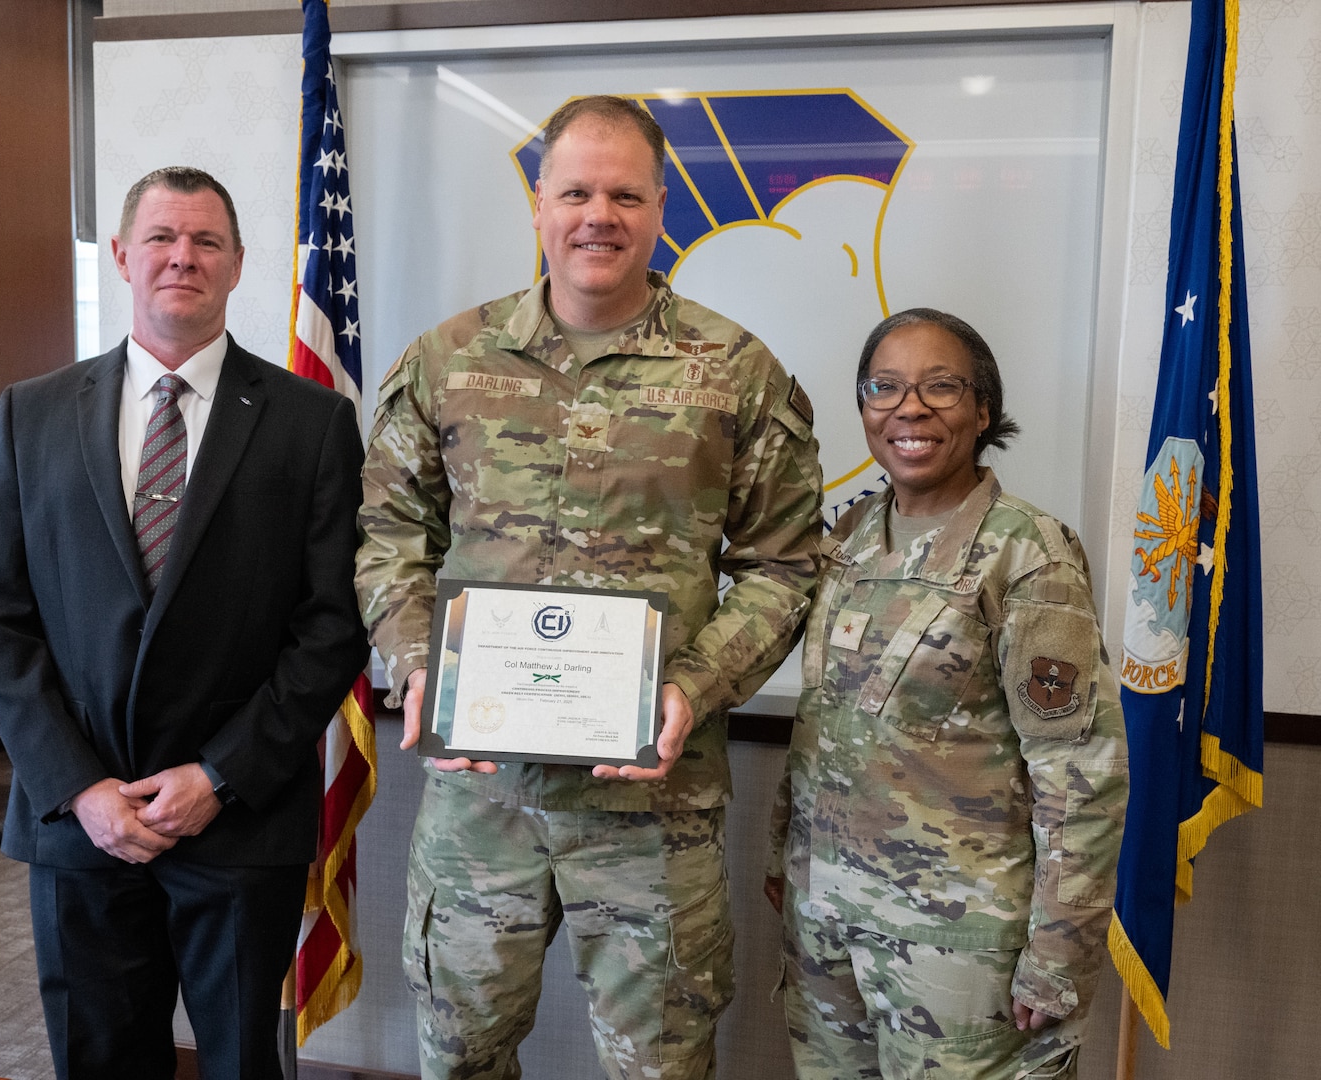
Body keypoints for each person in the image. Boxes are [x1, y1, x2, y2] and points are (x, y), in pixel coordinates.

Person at [355, 95, 823, 1079]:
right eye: (575, 191)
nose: (596, 215)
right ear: (539, 205)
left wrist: (692, 686)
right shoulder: (449, 363)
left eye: (624, 193)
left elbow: (786, 566)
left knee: (660, 1063)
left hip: (654, 807)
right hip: (482, 801)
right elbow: (390, 530)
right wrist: (415, 663)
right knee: (460, 1052)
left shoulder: (735, 374)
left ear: (661, 209)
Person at [0, 166, 369, 1080]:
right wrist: (80, 788)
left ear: (236, 265)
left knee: (237, 1060)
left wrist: (219, 776)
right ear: (120, 255)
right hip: (79, 815)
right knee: (99, 1057)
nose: (182, 258)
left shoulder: (312, 423)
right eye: (160, 239)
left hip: (236, 812)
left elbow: (333, 624)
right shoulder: (29, 415)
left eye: (206, 242)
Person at [765, 309, 1128, 1079]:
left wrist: (1060, 950)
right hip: (828, 926)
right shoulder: (852, 538)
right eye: (885, 387)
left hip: (960, 949)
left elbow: (1082, 774)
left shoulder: (1027, 554)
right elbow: (825, 722)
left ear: (984, 410)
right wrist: (784, 858)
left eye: (941, 387)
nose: (910, 408)